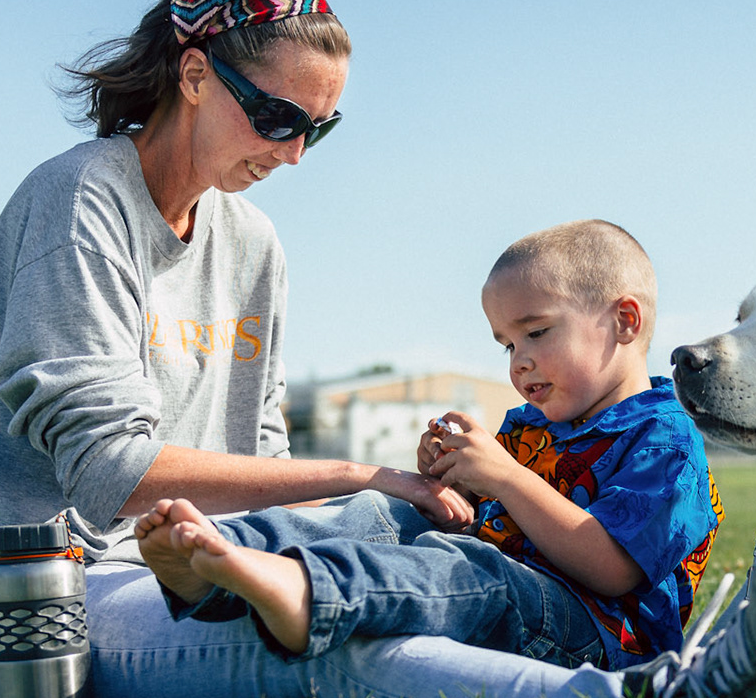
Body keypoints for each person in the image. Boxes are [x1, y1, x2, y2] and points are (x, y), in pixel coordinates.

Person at [0, 0, 756, 698]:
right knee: (342, 642)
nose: (292, 155)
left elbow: (261, 457)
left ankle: (295, 590)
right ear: (193, 76)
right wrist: (367, 477)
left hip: (210, 556)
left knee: (418, 547)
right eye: (277, 118)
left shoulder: (252, 243)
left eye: (318, 131)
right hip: (42, 599)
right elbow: (109, 475)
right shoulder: (81, 201)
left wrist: (410, 501)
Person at [137, 221, 724, 672]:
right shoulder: (531, 426)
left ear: (624, 321)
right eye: (506, 344)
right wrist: (450, 483)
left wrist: (506, 477)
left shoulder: (666, 439)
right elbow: (483, 518)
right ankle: (224, 551)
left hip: (598, 637)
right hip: (509, 592)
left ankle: (314, 594)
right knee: (386, 512)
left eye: (536, 332)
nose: (519, 361)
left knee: (476, 571)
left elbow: (613, 570)